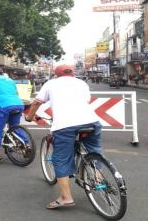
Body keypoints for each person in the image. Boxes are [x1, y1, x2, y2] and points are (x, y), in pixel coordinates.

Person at [25, 64, 101, 209]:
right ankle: (98, 180)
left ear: (56, 74)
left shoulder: (51, 83)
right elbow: (87, 101)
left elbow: (36, 103)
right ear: (73, 73)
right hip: (92, 122)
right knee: (94, 151)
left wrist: (30, 117)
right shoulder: (82, 83)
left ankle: (66, 197)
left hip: (65, 125)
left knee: (61, 158)